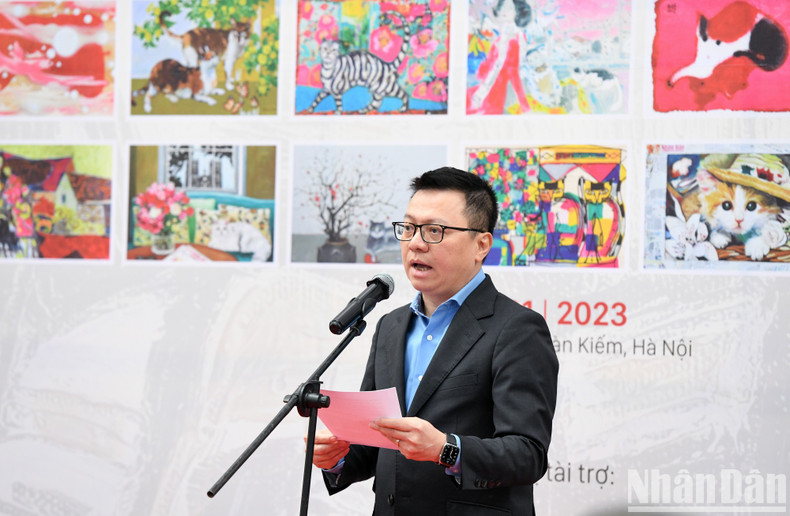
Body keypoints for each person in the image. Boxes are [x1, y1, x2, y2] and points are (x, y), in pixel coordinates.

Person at [311, 166, 559, 515]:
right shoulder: (390, 326)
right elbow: (375, 444)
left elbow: (527, 454)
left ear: (481, 245)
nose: (415, 243)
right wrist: (336, 457)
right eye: (409, 228)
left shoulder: (516, 329)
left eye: (434, 231)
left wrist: (446, 449)